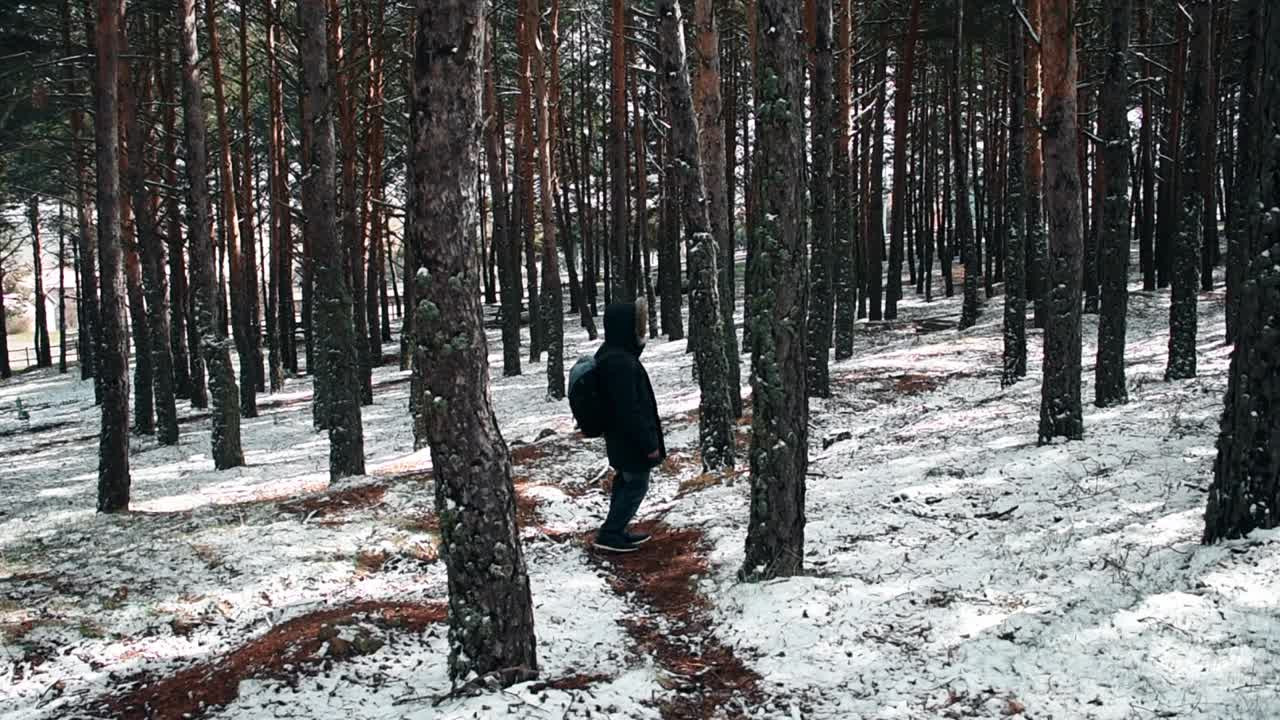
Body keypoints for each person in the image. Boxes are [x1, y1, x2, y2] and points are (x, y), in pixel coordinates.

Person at [594, 299, 665, 553]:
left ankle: (615, 530)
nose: (641, 330)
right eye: (637, 324)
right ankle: (611, 533)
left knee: (626, 482)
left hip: (621, 438)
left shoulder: (612, 354)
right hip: (629, 439)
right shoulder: (620, 362)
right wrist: (649, 445)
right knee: (636, 484)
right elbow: (631, 410)